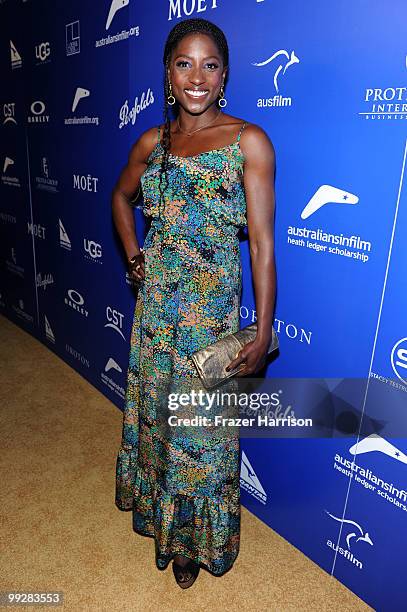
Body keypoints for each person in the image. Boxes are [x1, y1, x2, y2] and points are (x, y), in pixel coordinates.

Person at [112, 17, 276, 589]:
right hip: (155, 316)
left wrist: (261, 331)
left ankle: (192, 544)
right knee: (161, 424)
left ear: (225, 75)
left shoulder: (248, 141)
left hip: (209, 325)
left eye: (210, 65)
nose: (197, 77)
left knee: (202, 438)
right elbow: (120, 195)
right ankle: (168, 530)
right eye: (185, 63)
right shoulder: (152, 144)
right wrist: (134, 255)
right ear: (168, 72)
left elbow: (261, 245)